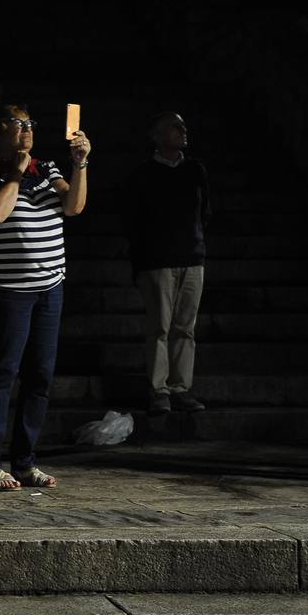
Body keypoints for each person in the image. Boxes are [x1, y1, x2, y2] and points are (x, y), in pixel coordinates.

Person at [0, 103, 91, 490]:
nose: (27, 130)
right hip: (5, 293)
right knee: (1, 375)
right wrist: (17, 173)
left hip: (49, 288)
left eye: (30, 124)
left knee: (40, 376)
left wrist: (80, 164)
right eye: (18, 124)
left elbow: (73, 207)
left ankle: (24, 461)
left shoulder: (49, 170)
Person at [124, 112, 211, 415]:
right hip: (158, 260)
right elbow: (135, 221)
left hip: (192, 256)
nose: (182, 131)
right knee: (159, 326)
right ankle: (159, 389)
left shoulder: (195, 169)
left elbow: (205, 211)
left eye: (183, 126)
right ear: (158, 136)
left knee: (185, 328)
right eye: (174, 127)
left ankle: (180, 387)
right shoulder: (145, 173)